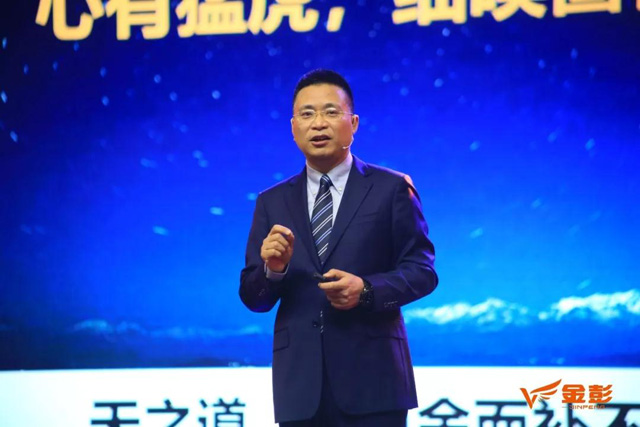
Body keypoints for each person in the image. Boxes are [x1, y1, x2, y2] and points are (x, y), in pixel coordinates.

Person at [239, 69, 438, 426]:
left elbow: (422, 272)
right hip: (300, 390)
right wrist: (274, 271)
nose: (318, 123)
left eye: (331, 112)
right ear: (293, 128)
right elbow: (255, 299)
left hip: (376, 384)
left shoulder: (391, 188)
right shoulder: (271, 202)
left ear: (354, 123)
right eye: (307, 114)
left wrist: (366, 290)